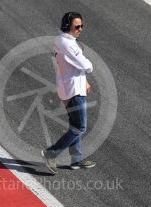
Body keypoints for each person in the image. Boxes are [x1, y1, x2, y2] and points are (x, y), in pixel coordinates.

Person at [41, 12, 96, 174]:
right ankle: (51, 153)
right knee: (80, 127)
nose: (80, 29)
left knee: (75, 125)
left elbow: (72, 65)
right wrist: (87, 68)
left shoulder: (63, 40)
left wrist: (84, 79)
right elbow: (86, 65)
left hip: (70, 87)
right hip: (73, 91)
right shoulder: (68, 44)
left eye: (81, 26)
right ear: (67, 27)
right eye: (77, 27)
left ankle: (76, 159)